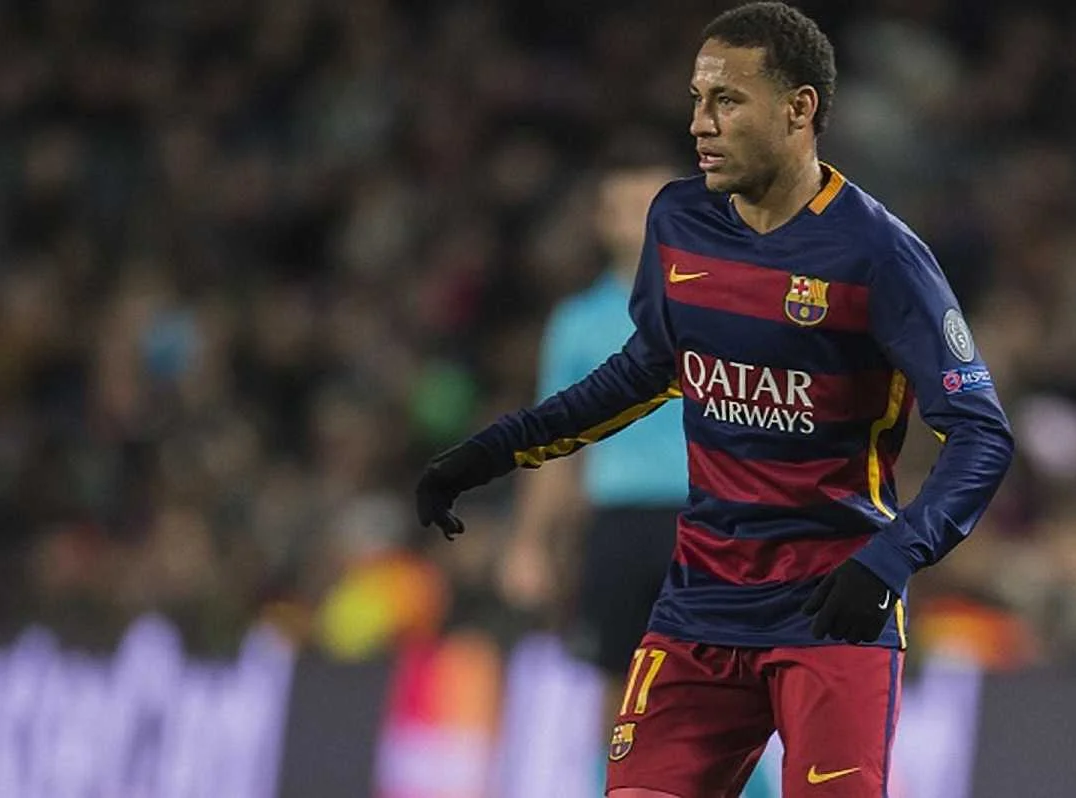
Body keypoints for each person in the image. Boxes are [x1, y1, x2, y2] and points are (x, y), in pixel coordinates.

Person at [416, 3, 1015, 796]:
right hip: (698, 608)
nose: (701, 122)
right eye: (698, 99)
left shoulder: (881, 256)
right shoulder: (679, 222)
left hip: (832, 611)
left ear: (799, 109)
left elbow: (980, 434)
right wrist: (493, 452)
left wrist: (892, 559)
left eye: (727, 100)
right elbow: (641, 374)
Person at [498, 150, 688, 716]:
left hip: (711, 516)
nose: (642, 217)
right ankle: (617, 767)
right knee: (618, 681)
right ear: (603, 221)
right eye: (628, 205)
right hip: (618, 520)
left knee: (722, 676)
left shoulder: (725, 307)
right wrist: (531, 542)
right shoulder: (578, 323)